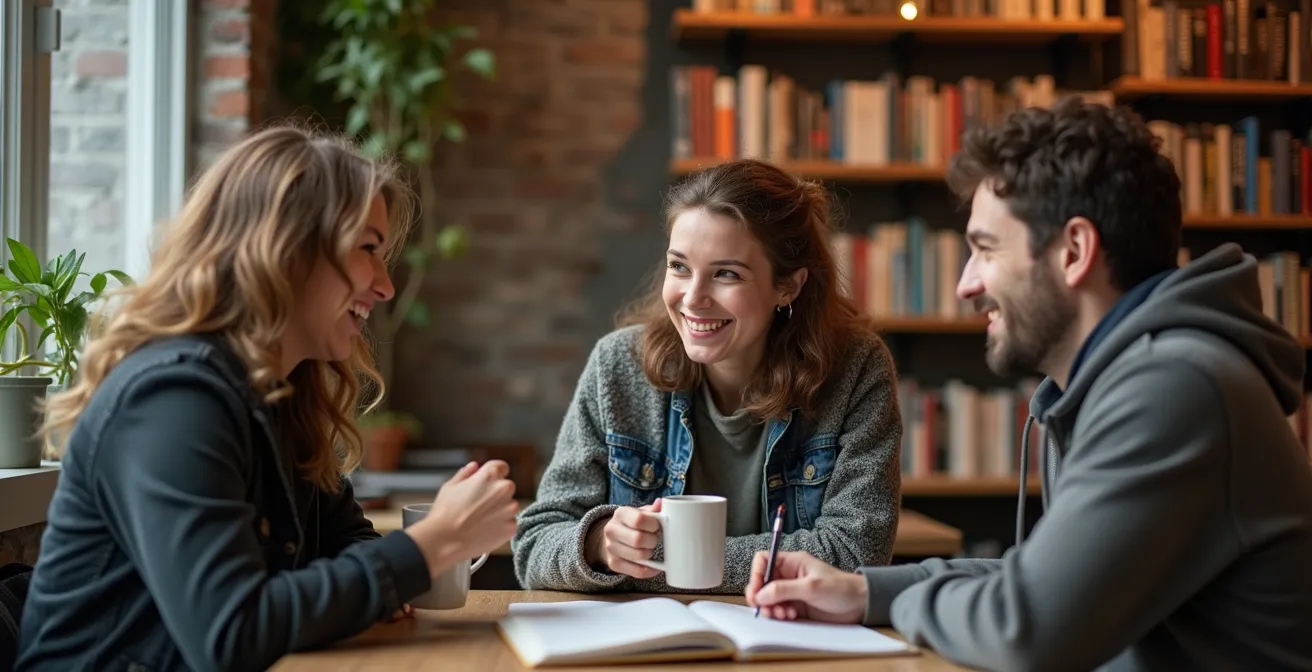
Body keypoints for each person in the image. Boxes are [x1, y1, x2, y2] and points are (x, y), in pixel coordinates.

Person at [744, 96, 1312, 670]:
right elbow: (1043, 579)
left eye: (985, 250)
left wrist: (896, 599)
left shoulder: (1174, 387)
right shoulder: (1125, 380)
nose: (966, 285)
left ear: (1074, 251)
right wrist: (865, 593)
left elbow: (1025, 626)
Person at [15, 125, 520, 672]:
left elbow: (343, 543)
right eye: (367, 248)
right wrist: (436, 540)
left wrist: (408, 559)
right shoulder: (172, 398)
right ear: (286, 250)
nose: (385, 285)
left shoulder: (280, 393)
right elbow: (231, 633)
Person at [512, 158, 903, 594]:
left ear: (787, 286)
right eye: (679, 267)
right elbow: (534, 545)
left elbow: (854, 556)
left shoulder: (856, 370)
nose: (693, 299)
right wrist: (600, 544)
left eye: (726, 274)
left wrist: (659, 557)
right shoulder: (617, 366)